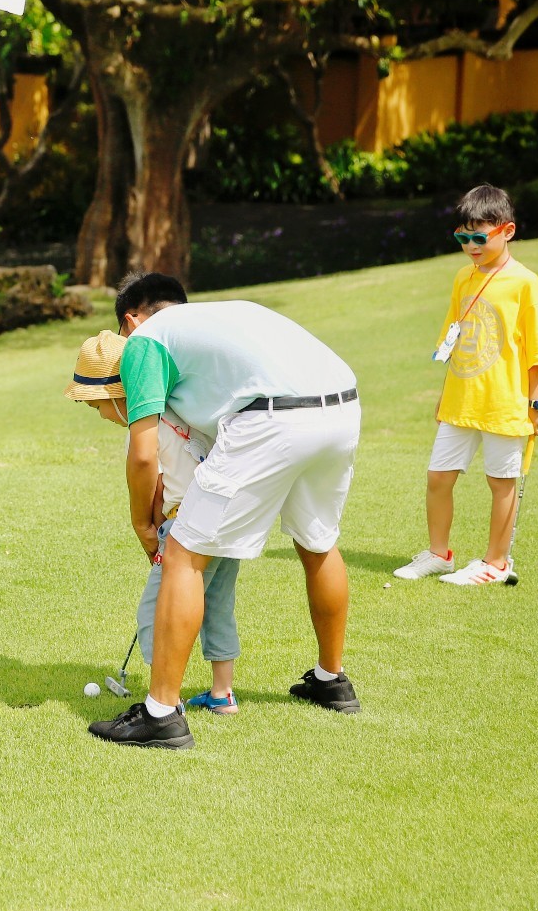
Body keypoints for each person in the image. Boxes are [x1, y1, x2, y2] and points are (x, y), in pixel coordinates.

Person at [87, 274, 363, 750]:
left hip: (272, 418)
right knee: (318, 542)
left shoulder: (145, 342)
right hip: (341, 405)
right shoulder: (220, 317)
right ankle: (331, 680)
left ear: (130, 320)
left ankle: (160, 715)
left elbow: (143, 453)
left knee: (183, 555)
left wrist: (142, 522)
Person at [64, 330, 244, 713]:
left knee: (156, 612)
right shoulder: (184, 410)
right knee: (218, 604)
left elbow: (158, 487)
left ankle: (165, 700)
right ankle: (221, 693)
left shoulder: (142, 429)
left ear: (117, 396)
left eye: (96, 405)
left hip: (186, 527)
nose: (98, 415)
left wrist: (154, 532)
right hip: (229, 519)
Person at [393, 185, 538, 587]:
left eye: (479, 237)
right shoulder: (463, 278)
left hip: (505, 402)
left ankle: (495, 563)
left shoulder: (524, 282)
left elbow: (537, 350)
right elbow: (454, 337)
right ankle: (438, 553)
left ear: (507, 230)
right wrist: (445, 395)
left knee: (501, 484)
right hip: (462, 399)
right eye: (463, 237)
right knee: (438, 476)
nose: (471, 246)